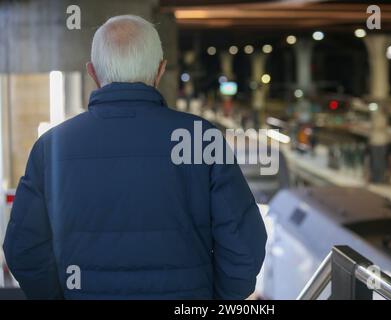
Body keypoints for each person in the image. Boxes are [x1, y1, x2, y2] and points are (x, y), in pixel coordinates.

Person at [3, 15, 267, 300]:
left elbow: (23, 249)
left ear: (92, 73)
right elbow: (244, 246)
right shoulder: (201, 138)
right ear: (160, 70)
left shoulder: (51, 147)